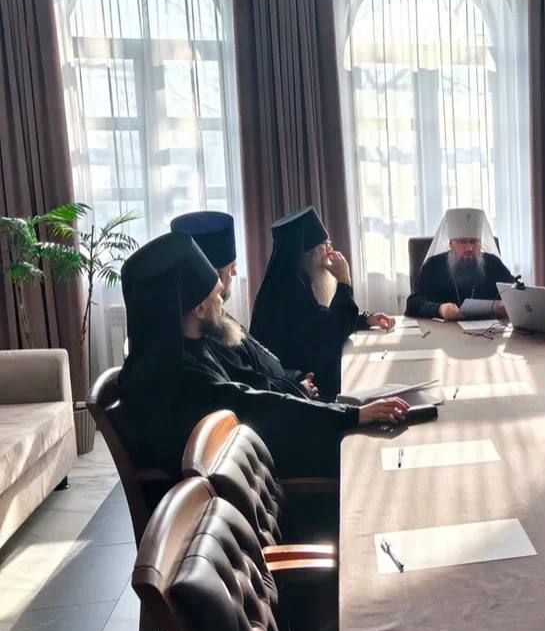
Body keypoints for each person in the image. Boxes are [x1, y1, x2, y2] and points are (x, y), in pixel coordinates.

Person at [116, 232, 409, 480]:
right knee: (369, 452)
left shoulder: (187, 343)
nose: (222, 303)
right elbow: (261, 406)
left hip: (250, 459)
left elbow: (254, 381)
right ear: (200, 309)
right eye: (217, 295)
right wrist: (353, 415)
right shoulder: (183, 373)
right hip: (256, 479)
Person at [249, 206, 394, 403]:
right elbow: (332, 331)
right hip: (296, 392)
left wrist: (364, 319)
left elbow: (321, 320)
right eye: (325, 245)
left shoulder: (291, 279)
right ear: (309, 251)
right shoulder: (288, 289)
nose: (330, 251)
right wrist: (344, 280)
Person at [170, 211, 317, 399]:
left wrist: (295, 379)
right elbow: (250, 389)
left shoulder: (216, 315)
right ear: (214, 277)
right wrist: (297, 388)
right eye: (231, 268)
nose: (234, 274)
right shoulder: (208, 329)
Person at [405, 208, 516, 321]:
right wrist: (440, 309)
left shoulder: (493, 264)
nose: (469, 248)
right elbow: (413, 304)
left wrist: (509, 304)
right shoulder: (433, 266)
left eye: (474, 242)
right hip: (444, 330)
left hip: (489, 330)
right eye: (463, 242)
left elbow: (515, 291)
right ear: (451, 244)